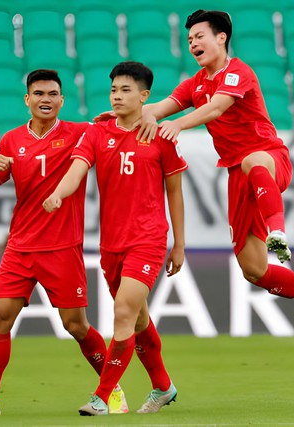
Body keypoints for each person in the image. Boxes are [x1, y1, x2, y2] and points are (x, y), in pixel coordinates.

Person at [134, 9, 294, 338]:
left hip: (270, 160)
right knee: (253, 270)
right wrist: (121, 114)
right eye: (189, 40)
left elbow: (215, 108)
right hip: (237, 177)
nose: (193, 44)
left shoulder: (238, 72)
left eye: (199, 37)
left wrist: (179, 124)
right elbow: (157, 108)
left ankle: (278, 234)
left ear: (221, 37)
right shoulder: (194, 84)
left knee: (252, 161)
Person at [0, 69, 127, 417]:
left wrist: (116, 118)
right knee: (1, 317)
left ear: (62, 100)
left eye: (52, 94)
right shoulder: (11, 140)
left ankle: (113, 390)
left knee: (75, 325)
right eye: (38, 93)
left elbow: (119, 128)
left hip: (62, 246)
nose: (45, 99)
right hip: (20, 245)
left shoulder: (80, 134)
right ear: (27, 100)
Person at [43, 61, 187, 416]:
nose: (118, 96)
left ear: (144, 96)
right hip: (111, 244)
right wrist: (59, 193)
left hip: (149, 238)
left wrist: (179, 243)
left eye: (125, 90)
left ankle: (102, 397)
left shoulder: (160, 136)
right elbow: (77, 170)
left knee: (123, 312)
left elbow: (175, 191)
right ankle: (163, 387)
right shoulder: (96, 133)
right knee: (137, 320)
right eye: (113, 90)